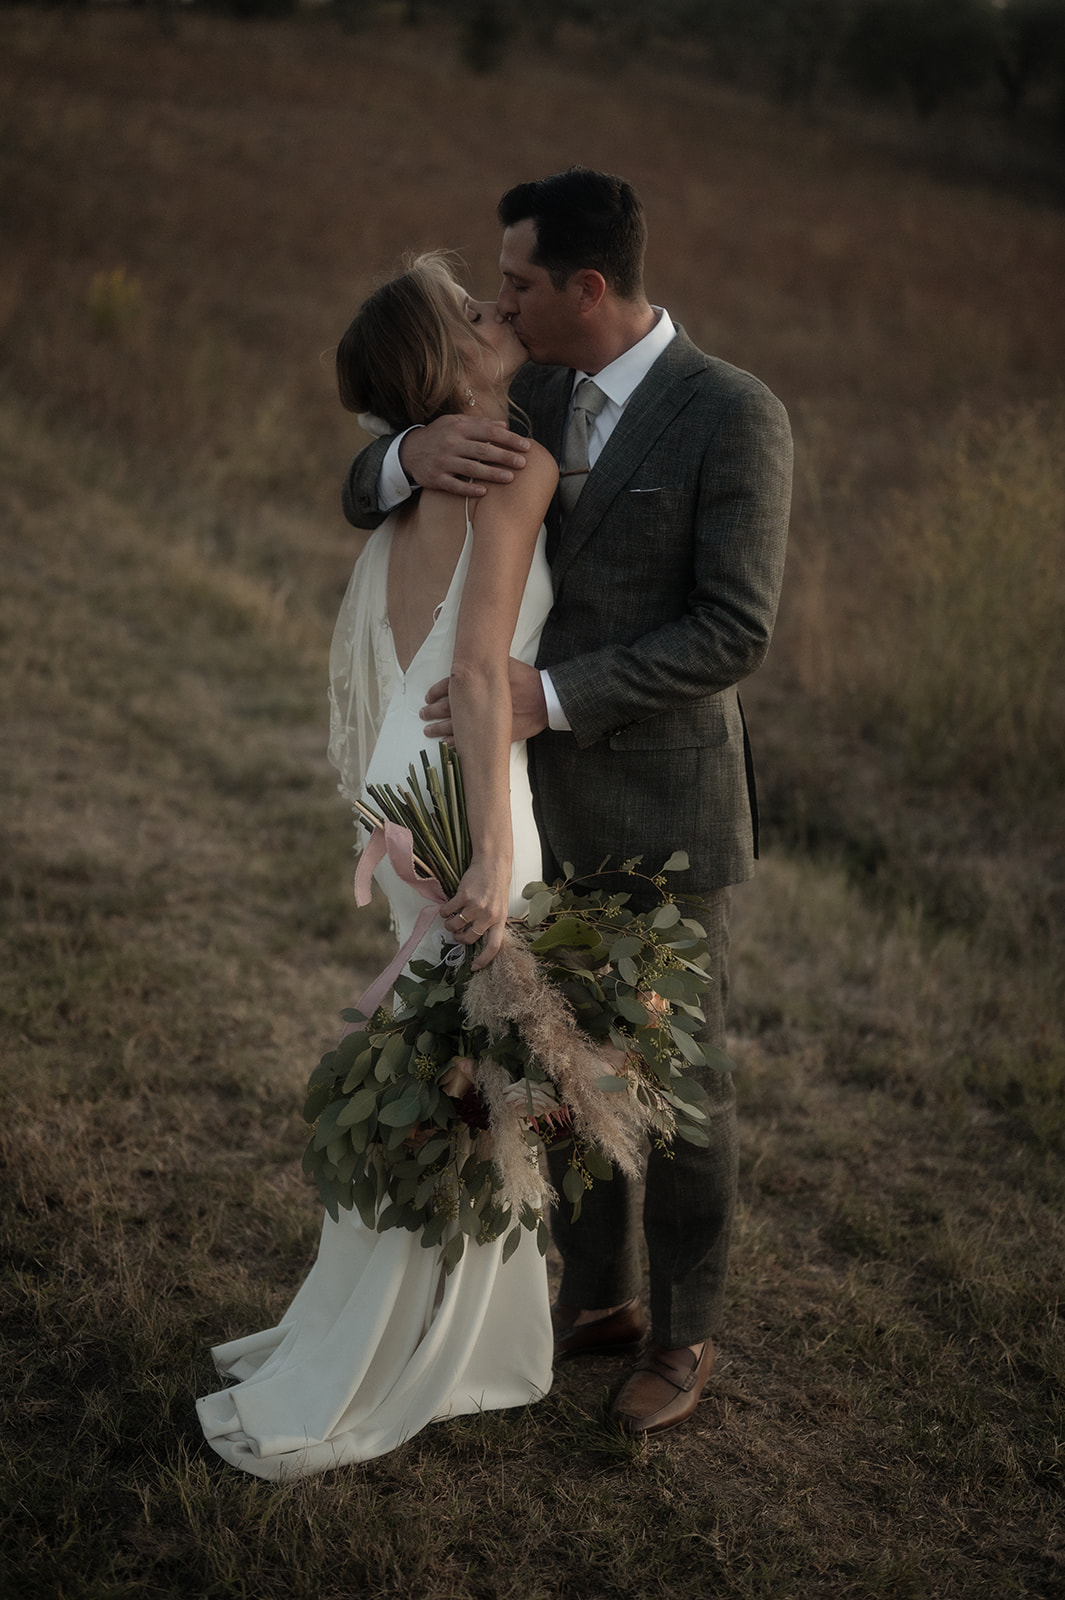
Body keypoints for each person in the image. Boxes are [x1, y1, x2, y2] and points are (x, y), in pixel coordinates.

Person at [343, 169, 792, 1437]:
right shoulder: (522, 386)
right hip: (529, 805)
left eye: (523, 282)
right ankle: (597, 1298)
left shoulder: (732, 413)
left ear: (588, 288)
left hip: (666, 804)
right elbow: (370, 472)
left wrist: (558, 694)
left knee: (682, 1080)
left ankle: (686, 1333)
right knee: (558, 1063)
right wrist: (403, 451)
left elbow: (735, 627)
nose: (502, 298)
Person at [196, 253, 559, 1477]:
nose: (497, 312)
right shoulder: (512, 463)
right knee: (472, 1066)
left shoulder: (421, 482)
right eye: (473, 314)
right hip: (466, 776)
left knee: (443, 1046)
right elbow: (476, 668)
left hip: (405, 774)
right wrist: (498, 850)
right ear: (444, 370)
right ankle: (409, 1353)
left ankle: (393, 1324)